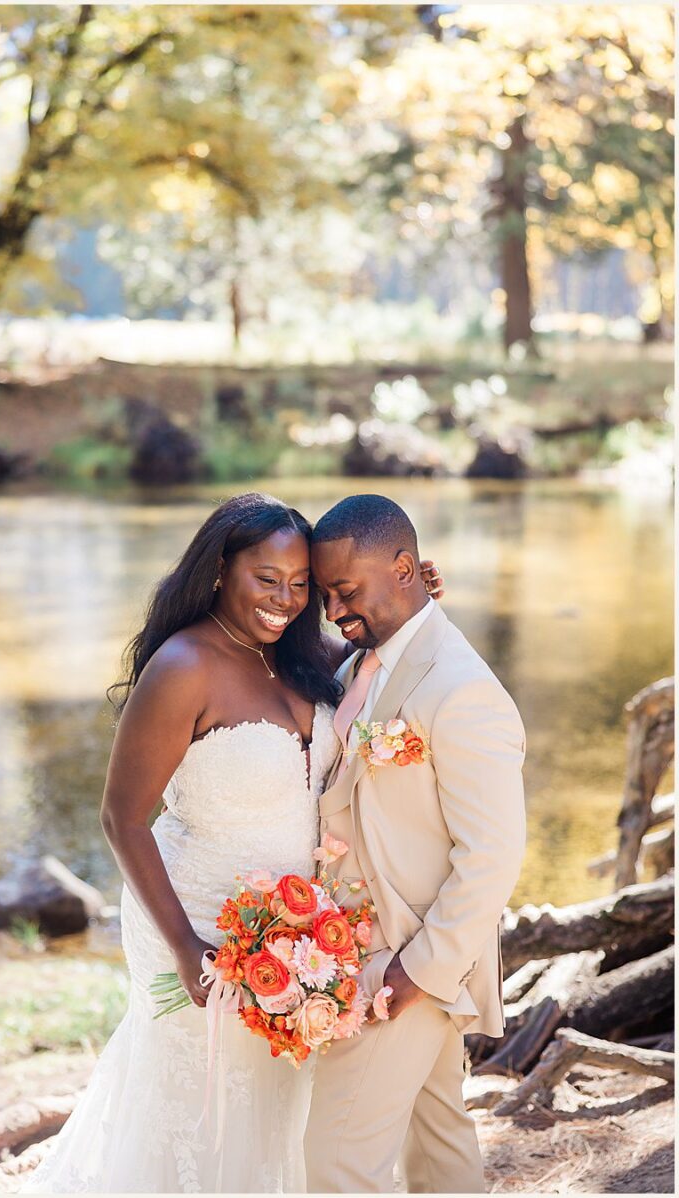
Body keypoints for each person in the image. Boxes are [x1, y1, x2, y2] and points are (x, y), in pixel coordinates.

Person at [25, 492, 444, 1193]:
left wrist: (407, 596)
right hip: (192, 920)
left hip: (296, 935)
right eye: (266, 580)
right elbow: (122, 818)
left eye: (300, 585)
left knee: (282, 1107)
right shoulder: (184, 666)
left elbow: (376, 654)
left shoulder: (303, 658)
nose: (284, 600)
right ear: (222, 569)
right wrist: (186, 949)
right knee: (200, 1113)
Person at [304, 494, 525, 1193]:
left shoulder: (462, 692)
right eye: (328, 595)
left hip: (403, 963)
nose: (335, 610)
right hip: (364, 948)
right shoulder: (363, 662)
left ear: (403, 569)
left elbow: (490, 855)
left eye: (346, 591)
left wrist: (419, 969)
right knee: (438, 1140)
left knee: (334, 1161)